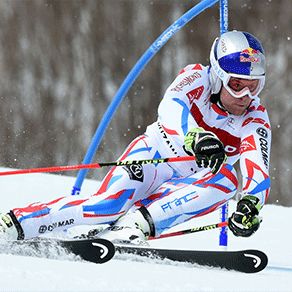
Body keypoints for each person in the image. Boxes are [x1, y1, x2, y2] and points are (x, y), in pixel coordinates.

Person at [0, 30, 271, 245]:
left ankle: (133, 227)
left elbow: (257, 167)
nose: (246, 96)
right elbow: (171, 106)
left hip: (191, 182)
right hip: (155, 155)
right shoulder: (197, 78)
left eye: (254, 86)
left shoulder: (255, 118)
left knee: (227, 180)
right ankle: (18, 223)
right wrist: (196, 137)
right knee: (106, 206)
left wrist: (250, 205)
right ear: (218, 76)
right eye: (236, 85)